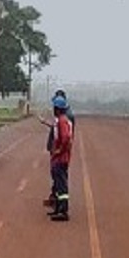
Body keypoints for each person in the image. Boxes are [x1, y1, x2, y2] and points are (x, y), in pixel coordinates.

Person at [46, 93, 74, 221]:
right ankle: (58, 208)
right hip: (58, 158)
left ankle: (63, 211)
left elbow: (66, 138)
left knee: (61, 185)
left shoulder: (62, 121)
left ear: (57, 109)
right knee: (58, 184)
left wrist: (59, 151)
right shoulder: (61, 120)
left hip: (60, 158)